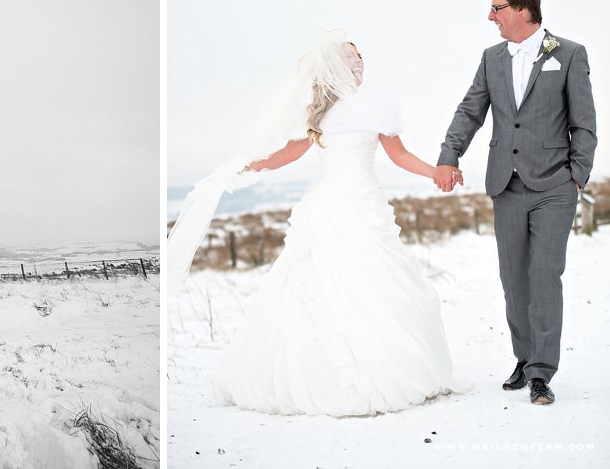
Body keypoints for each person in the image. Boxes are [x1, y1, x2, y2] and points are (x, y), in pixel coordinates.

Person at [169, 33, 467, 416]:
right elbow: (288, 154)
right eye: (349, 59)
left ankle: (387, 364)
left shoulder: (377, 105)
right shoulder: (320, 110)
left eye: (360, 57)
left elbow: (400, 154)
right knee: (318, 286)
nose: (358, 63)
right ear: (332, 68)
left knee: (378, 280)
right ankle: (325, 376)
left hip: (367, 206)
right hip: (329, 207)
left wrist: (436, 173)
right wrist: (249, 166)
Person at [433, 0, 596, 405]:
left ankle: (542, 371)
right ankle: (523, 360)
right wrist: (450, 155)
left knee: (545, 276)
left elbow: (584, 125)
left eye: (497, 8)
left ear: (522, 10)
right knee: (513, 280)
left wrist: (576, 176)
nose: (491, 16)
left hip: (554, 186)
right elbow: (470, 110)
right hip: (506, 183)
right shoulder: (491, 59)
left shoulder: (569, 54)